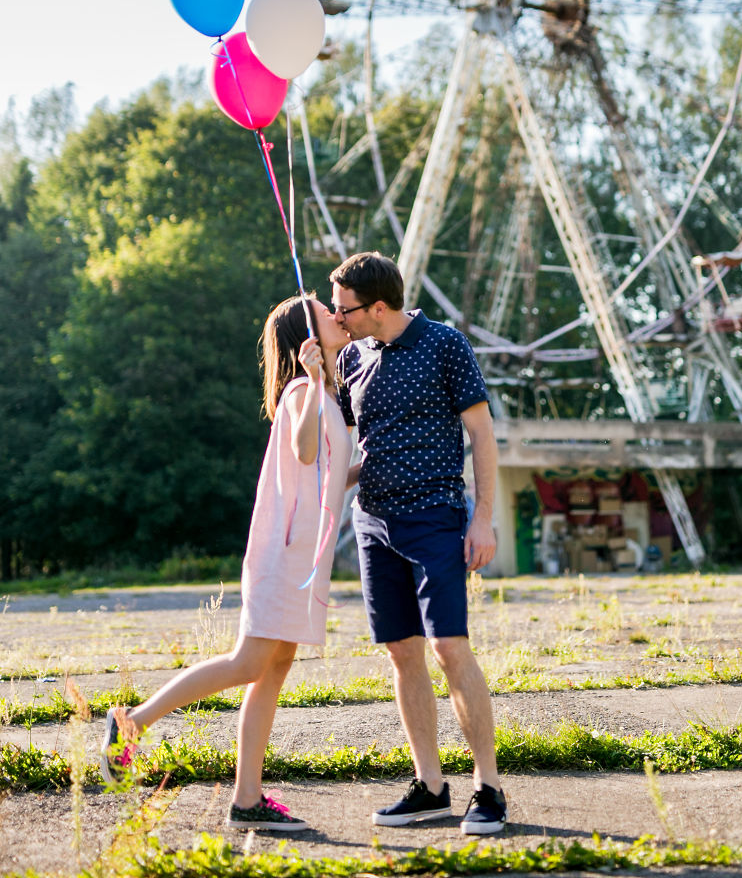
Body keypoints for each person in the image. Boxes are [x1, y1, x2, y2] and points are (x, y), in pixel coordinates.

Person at [100, 295, 353, 834]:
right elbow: (306, 451)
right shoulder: (302, 392)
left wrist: (364, 470)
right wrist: (309, 379)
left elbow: (323, 474)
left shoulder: (325, 395)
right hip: (285, 557)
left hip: (305, 556)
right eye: (326, 312)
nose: (338, 314)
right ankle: (132, 723)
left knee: (272, 669)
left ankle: (247, 800)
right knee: (247, 664)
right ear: (305, 337)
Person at [330, 251, 506, 836]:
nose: (336, 317)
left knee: (449, 648)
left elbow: (481, 431)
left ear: (379, 307)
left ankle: (489, 789)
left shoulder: (445, 344)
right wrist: (323, 489)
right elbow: (362, 449)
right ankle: (430, 786)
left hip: (435, 517)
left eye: (345, 308)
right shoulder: (352, 357)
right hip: (374, 525)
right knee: (402, 653)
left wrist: (483, 518)